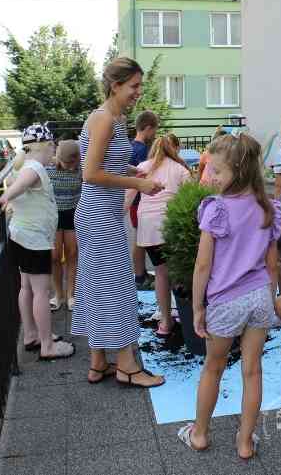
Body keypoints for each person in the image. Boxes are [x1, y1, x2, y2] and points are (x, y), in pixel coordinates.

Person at [177, 133, 281, 460]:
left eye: (217, 171)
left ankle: (200, 434)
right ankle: (245, 442)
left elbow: (203, 264)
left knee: (213, 368)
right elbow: (271, 263)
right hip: (259, 296)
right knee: (253, 371)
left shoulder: (216, 209)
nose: (210, 177)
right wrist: (271, 297)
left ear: (237, 169)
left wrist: (197, 307)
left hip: (225, 301)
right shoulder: (267, 207)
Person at [71, 57, 165, 388]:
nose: (138, 92)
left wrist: (133, 171)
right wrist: (138, 185)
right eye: (134, 86)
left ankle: (98, 362)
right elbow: (91, 173)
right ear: (116, 85)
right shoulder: (103, 120)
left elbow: (103, 164)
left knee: (95, 284)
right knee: (117, 286)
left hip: (100, 214)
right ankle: (126, 364)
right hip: (98, 215)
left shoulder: (112, 117)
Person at [0, 124, 75, 360]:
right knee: (41, 291)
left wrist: (8, 196)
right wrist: (5, 198)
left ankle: (31, 335)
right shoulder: (35, 167)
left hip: (20, 236)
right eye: (53, 147)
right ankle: (47, 346)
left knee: (26, 288)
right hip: (34, 240)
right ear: (47, 146)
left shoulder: (24, 165)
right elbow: (23, 183)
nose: (54, 152)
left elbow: (20, 184)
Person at [125, 133, 192, 337]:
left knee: (161, 272)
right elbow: (190, 201)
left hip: (148, 227)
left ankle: (165, 321)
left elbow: (128, 198)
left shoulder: (142, 167)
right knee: (180, 272)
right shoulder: (181, 169)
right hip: (172, 225)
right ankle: (184, 312)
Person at [47, 139, 81, 312]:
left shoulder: (81, 168)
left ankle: (71, 295)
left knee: (72, 254)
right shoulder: (47, 168)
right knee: (54, 257)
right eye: (66, 162)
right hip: (53, 217)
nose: (69, 166)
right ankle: (58, 295)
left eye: (72, 163)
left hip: (72, 215)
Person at [129, 110, 159, 289]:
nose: (155, 134)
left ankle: (140, 274)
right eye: (154, 130)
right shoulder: (142, 151)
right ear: (147, 128)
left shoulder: (132, 146)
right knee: (140, 240)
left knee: (139, 239)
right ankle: (139, 276)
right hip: (140, 201)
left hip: (135, 201)